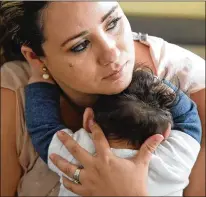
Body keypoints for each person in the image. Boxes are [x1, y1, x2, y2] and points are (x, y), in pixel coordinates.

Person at [0, 1, 205, 196]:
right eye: (80, 45)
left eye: (113, 23)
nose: (111, 54)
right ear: (35, 57)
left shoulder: (195, 87)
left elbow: (44, 131)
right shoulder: (12, 91)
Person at [24, 68, 201, 196]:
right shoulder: (173, 161)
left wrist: (42, 75)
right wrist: (153, 80)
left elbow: (42, 128)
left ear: (88, 119)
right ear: (167, 131)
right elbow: (188, 119)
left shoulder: (78, 152)